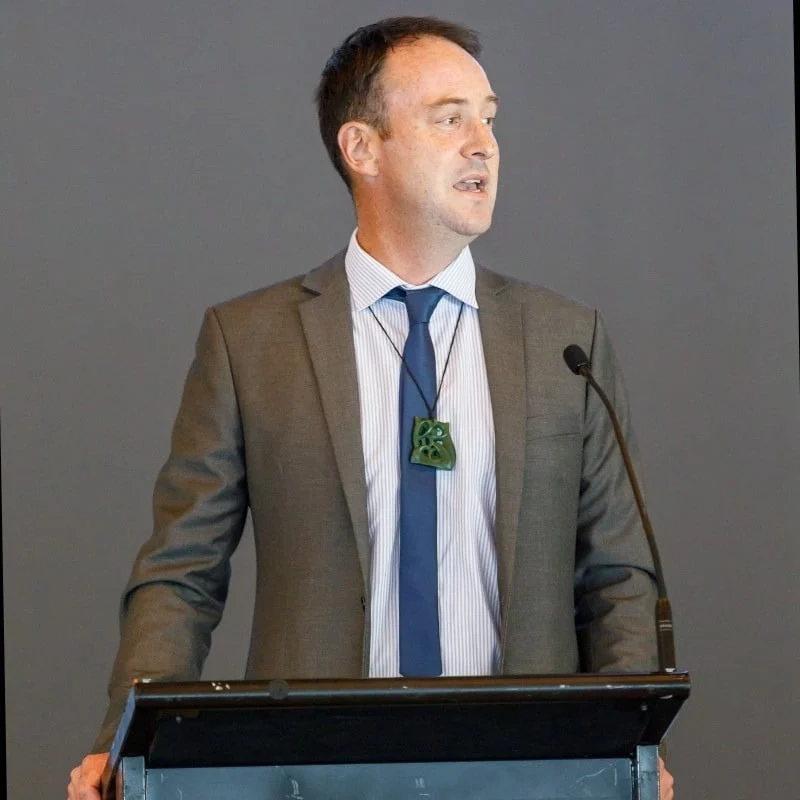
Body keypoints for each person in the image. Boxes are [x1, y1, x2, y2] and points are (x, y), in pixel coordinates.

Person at [68, 16, 674, 800]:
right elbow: (181, 574)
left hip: (526, 773)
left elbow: (618, 577)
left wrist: (634, 745)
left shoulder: (566, 339)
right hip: (311, 774)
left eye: (490, 120)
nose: (483, 146)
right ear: (362, 148)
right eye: (449, 119)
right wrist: (125, 745)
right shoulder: (249, 343)